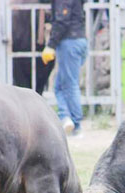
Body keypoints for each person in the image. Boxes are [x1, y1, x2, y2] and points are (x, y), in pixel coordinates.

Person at [41, 0, 87, 136]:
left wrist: (51, 44)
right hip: (77, 40)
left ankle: (76, 124)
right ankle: (66, 118)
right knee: (59, 86)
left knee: (69, 85)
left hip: (69, 42)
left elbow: (62, 21)